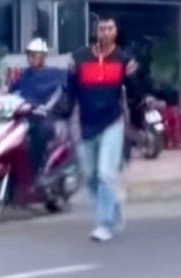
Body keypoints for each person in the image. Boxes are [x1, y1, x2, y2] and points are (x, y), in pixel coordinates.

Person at [67, 17, 136, 241]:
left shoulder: (124, 59)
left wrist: (144, 108)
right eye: (101, 28)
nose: (105, 32)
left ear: (116, 32)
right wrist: (63, 115)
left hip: (112, 122)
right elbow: (70, 93)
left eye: (110, 28)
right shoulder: (79, 58)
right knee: (90, 176)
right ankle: (113, 211)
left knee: (106, 174)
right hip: (88, 124)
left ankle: (104, 224)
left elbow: (137, 92)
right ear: (95, 31)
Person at [8, 38, 68, 182]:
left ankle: (37, 173)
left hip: (47, 116)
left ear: (42, 56)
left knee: (38, 135)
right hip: (25, 116)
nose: (31, 58)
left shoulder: (55, 74)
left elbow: (61, 92)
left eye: (34, 54)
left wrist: (47, 106)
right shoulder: (24, 75)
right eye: (29, 55)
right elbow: (11, 91)